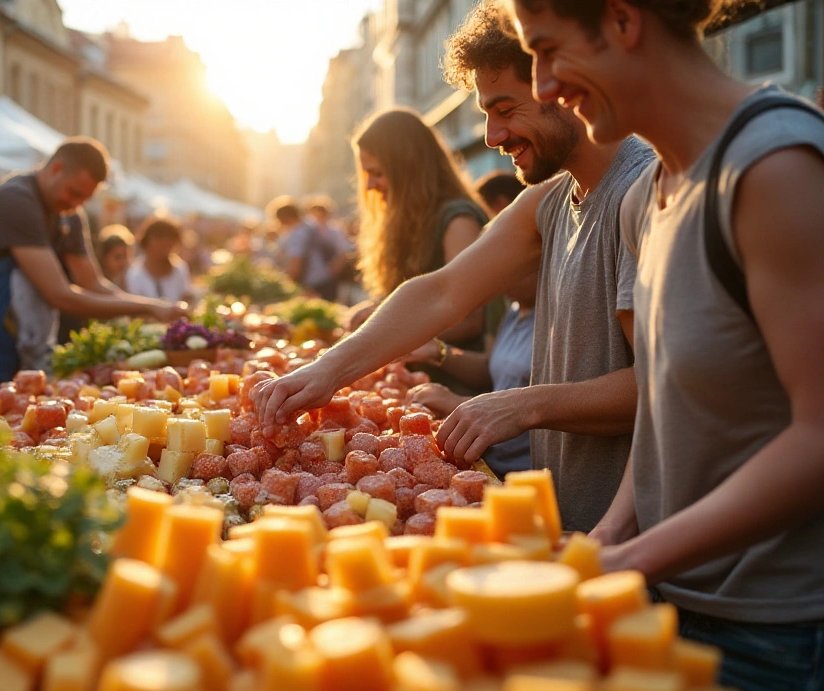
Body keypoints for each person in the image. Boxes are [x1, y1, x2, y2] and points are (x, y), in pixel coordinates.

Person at [504, 1, 824, 691]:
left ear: (623, 21)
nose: (542, 86)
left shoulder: (776, 166)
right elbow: (665, 411)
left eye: (547, 49)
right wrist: (611, 535)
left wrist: (635, 559)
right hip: (681, 601)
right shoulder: (650, 192)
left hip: (791, 630)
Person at [255, 0, 652, 536]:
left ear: (560, 83)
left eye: (506, 109)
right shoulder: (550, 199)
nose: (492, 136)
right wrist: (326, 370)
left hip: (636, 541)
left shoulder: (642, 189)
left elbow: (660, 387)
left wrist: (522, 405)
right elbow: (442, 292)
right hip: (569, 525)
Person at [0, 138, 185, 427]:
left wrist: (152, 308)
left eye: (83, 199)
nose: (74, 205)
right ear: (56, 168)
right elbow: (60, 295)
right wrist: (147, 307)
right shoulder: (16, 200)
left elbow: (94, 283)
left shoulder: (68, 215)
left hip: (9, 351)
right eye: (73, 193)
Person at [350, 109, 489, 349]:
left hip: (448, 381)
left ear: (408, 169)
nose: (370, 185)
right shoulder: (410, 218)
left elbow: (469, 320)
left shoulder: (458, 220)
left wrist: (384, 328)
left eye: (377, 173)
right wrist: (377, 312)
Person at [403, 270, 538, 477]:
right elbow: (490, 369)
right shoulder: (514, 309)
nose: (501, 275)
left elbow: (545, 402)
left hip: (524, 471)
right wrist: (436, 351)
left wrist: (460, 402)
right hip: (493, 458)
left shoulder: (554, 320)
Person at [270, 196, 346, 302]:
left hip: (313, 285)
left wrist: (283, 286)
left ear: (283, 219)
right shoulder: (309, 226)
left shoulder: (297, 234)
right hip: (324, 279)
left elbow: (296, 265)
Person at [125, 216, 195, 304]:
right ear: (146, 241)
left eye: (170, 237)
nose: (164, 243)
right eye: (159, 237)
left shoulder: (180, 268)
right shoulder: (135, 273)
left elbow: (187, 297)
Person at [96, 224, 135, 290]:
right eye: (117, 257)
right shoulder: (97, 283)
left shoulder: (131, 280)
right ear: (104, 257)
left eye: (125, 256)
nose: (122, 262)